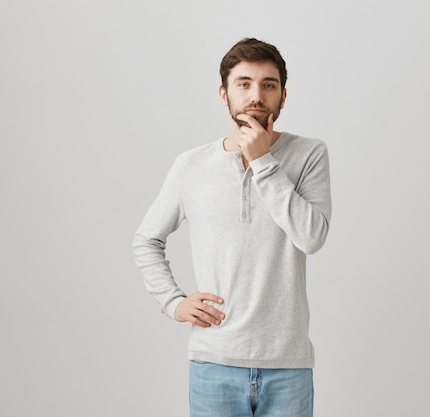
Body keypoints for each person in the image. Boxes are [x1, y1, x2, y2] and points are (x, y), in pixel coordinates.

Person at [133, 37, 332, 417]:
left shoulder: (309, 155)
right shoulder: (190, 166)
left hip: (287, 367)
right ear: (224, 94)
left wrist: (262, 162)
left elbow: (312, 237)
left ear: (283, 97)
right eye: (244, 84)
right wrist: (174, 303)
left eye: (268, 85)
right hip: (214, 364)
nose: (256, 95)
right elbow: (146, 239)